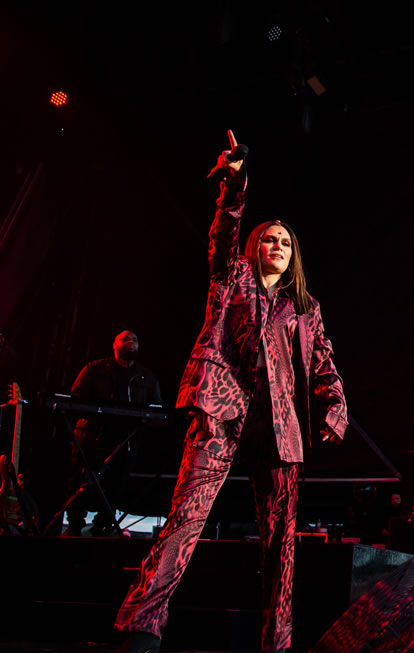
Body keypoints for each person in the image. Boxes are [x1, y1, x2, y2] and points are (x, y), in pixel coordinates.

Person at [109, 133, 348, 653]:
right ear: (255, 247)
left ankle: (276, 643)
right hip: (222, 407)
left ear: (294, 256)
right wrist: (235, 183)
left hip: (279, 425)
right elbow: (224, 231)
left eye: (286, 243)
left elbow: (324, 363)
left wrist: (336, 406)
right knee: (186, 517)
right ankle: (141, 626)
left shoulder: (306, 308)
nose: (277, 247)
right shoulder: (232, 276)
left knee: (281, 543)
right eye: (269, 240)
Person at [64, 330, 162, 536]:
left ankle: (102, 526)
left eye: (135, 339)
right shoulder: (95, 369)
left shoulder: (145, 377)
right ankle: (74, 526)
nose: (131, 341)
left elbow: (156, 408)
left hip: (125, 440)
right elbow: (77, 397)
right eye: (125, 338)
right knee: (81, 482)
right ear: (114, 345)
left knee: (116, 485)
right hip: (92, 437)